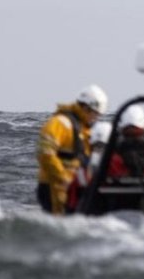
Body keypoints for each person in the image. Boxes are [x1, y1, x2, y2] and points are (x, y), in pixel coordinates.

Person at [35, 85, 107, 214]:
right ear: (86, 107)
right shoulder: (61, 123)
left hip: (71, 187)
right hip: (54, 185)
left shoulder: (83, 128)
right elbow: (45, 152)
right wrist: (62, 177)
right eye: (94, 114)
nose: (95, 118)